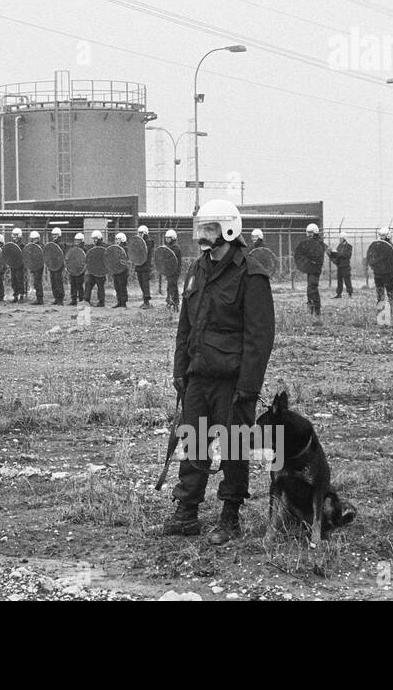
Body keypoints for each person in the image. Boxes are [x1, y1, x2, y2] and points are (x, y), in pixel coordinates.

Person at [162, 199, 275, 545]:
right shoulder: (197, 270)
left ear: (229, 230)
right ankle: (186, 513)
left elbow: (260, 337)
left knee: (234, 447)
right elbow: (186, 325)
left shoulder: (251, 274)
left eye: (209, 230)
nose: (202, 237)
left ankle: (230, 515)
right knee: (193, 442)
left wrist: (249, 387)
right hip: (198, 376)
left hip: (233, 382)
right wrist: (180, 370)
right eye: (201, 229)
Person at [301, 223, 325, 317]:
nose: (308, 234)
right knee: (310, 288)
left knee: (312, 288)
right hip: (310, 269)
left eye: (310, 233)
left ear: (315, 233)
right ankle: (312, 308)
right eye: (308, 232)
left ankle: (316, 310)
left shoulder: (318, 243)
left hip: (315, 269)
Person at [371, 227, 393, 313]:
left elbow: (391, 260)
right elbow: (372, 257)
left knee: (390, 293)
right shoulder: (377, 246)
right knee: (380, 294)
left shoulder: (390, 246)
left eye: (383, 235)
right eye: (380, 235)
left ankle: (392, 312)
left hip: (388, 274)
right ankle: (381, 313)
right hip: (378, 273)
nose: (381, 237)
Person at [83, 230, 107, 307]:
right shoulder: (92, 247)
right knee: (88, 283)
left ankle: (101, 301)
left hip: (100, 271)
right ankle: (86, 300)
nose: (94, 240)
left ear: (99, 238)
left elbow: (107, 259)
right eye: (93, 238)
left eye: (95, 238)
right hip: (92, 270)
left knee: (100, 286)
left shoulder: (104, 247)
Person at [163, 229, 182, 312]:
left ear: (173, 238)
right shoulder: (169, 247)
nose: (167, 239)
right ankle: (170, 302)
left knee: (173, 287)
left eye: (168, 238)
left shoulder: (175, 248)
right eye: (166, 238)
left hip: (174, 271)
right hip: (169, 270)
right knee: (170, 286)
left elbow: (170, 259)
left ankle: (175, 303)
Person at [135, 225, 154, 309]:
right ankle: (145, 301)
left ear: (145, 233)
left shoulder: (148, 241)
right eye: (138, 233)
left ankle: (147, 302)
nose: (139, 234)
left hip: (145, 266)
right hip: (139, 265)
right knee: (141, 284)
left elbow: (144, 251)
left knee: (145, 284)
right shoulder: (139, 241)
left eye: (141, 233)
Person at [330, 231, 353, 298]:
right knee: (339, 280)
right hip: (339, 265)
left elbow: (347, 255)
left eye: (341, 238)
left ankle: (350, 293)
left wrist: (338, 254)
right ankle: (339, 294)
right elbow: (338, 254)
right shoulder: (339, 246)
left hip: (345, 266)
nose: (339, 240)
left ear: (344, 239)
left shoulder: (349, 246)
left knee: (347, 280)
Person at [48, 227, 66, 305]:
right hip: (52, 265)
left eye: (56, 234)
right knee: (53, 283)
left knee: (58, 282)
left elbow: (61, 255)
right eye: (53, 234)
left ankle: (60, 299)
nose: (54, 236)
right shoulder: (51, 243)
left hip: (58, 266)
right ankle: (56, 298)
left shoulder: (61, 244)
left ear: (59, 235)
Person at [111, 232, 130, 308]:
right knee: (117, 286)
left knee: (122, 286)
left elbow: (125, 259)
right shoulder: (115, 248)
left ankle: (123, 302)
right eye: (116, 239)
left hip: (123, 270)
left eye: (118, 239)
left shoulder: (125, 248)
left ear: (122, 239)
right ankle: (119, 301)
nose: (116, 241)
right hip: (116, 269)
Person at [28, 230, 46, 305]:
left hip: (39, 266)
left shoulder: (41, 246)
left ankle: (40, 299)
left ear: (38, 238)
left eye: (35, 239)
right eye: (33, 239)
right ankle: (38, 298)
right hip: (33, 266)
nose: (34, 240)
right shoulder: (31, 246)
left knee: (37, 282)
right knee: (36, 283)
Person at [9, 227, 26, 303]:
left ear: (19, 235)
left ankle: (21, 295)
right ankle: (15, 296)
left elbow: (22, 255)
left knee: (20, 279)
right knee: (14, 280)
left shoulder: (22, 244)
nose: (14, 236)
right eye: (13, 235)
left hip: (20, 265)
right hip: (13, 264)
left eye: (16, 235)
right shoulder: (12, 244)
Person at [68, 232, 86, 306]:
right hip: (73, 269)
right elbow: (69, 258)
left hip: (80, 270)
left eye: (78, 240)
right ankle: (73, 299)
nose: (76, 242)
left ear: (81, 241)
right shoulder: (73, 249)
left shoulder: (84, 250)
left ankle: (81, 299)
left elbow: (85, 260)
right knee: (73, 284)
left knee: (79, 285)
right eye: (76, 240)